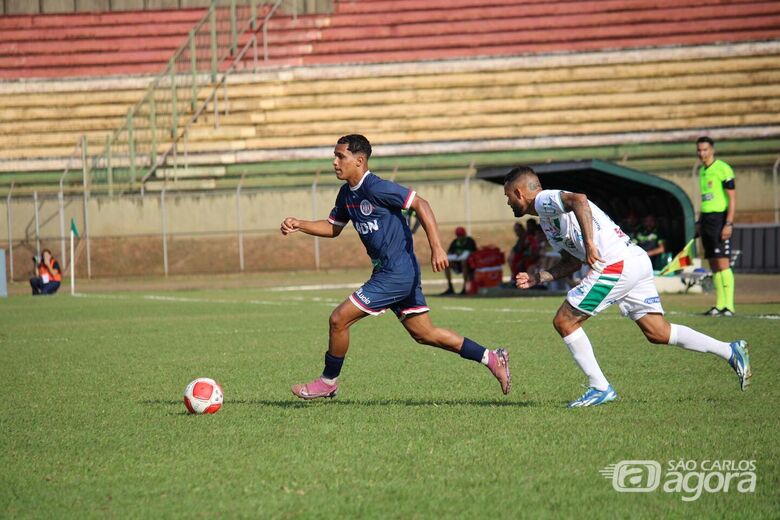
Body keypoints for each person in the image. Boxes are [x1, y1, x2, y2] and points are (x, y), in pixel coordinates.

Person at [280, 134, 510, 399]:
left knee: (338, 319)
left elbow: (421, 204)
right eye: (335, 156)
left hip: (396, 274)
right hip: (391, 273)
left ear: (360, 160)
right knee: (425, 334)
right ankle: (491, 357)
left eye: (340, 156)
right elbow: (333, 228)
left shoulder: (376, 188)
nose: (334, 162)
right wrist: (300, 224)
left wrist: (436, 246)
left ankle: (328, 381)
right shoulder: (346, 194)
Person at [503, 166, 750, 407]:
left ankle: (599, 387)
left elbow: (579, 199)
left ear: (518, 193)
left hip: (616, 264)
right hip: (634, 261)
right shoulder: (548, 220)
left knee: (564, 321)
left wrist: (590, 243)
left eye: (507, 197)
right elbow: (571, 261)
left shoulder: (543, 199)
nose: (508, 203)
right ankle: (730, 351)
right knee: (658, 332)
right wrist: (540, 277)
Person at [696, 136, 737, 317]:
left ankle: (729, 306)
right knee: (713, 263)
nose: (702, 153)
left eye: (705, 150)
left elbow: (732, 198)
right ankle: (719, 305)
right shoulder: (703, 171)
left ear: (712, 150)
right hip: (707, 220)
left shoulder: (723, 168)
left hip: (720, 219)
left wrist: (728, 223)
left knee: (723, 263)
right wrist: (700, 222)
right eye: (699, 150)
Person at [441, 226, 477, 295]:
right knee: (447, 264)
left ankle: (465, 288)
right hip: (457, 264)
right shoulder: (455, 242)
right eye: (458, 235)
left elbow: (473, 253)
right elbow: (449, 252)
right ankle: (450, 287)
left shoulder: (470, 241)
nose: (460, 237)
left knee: (464, 262)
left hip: (468, 265)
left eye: (461, 235)